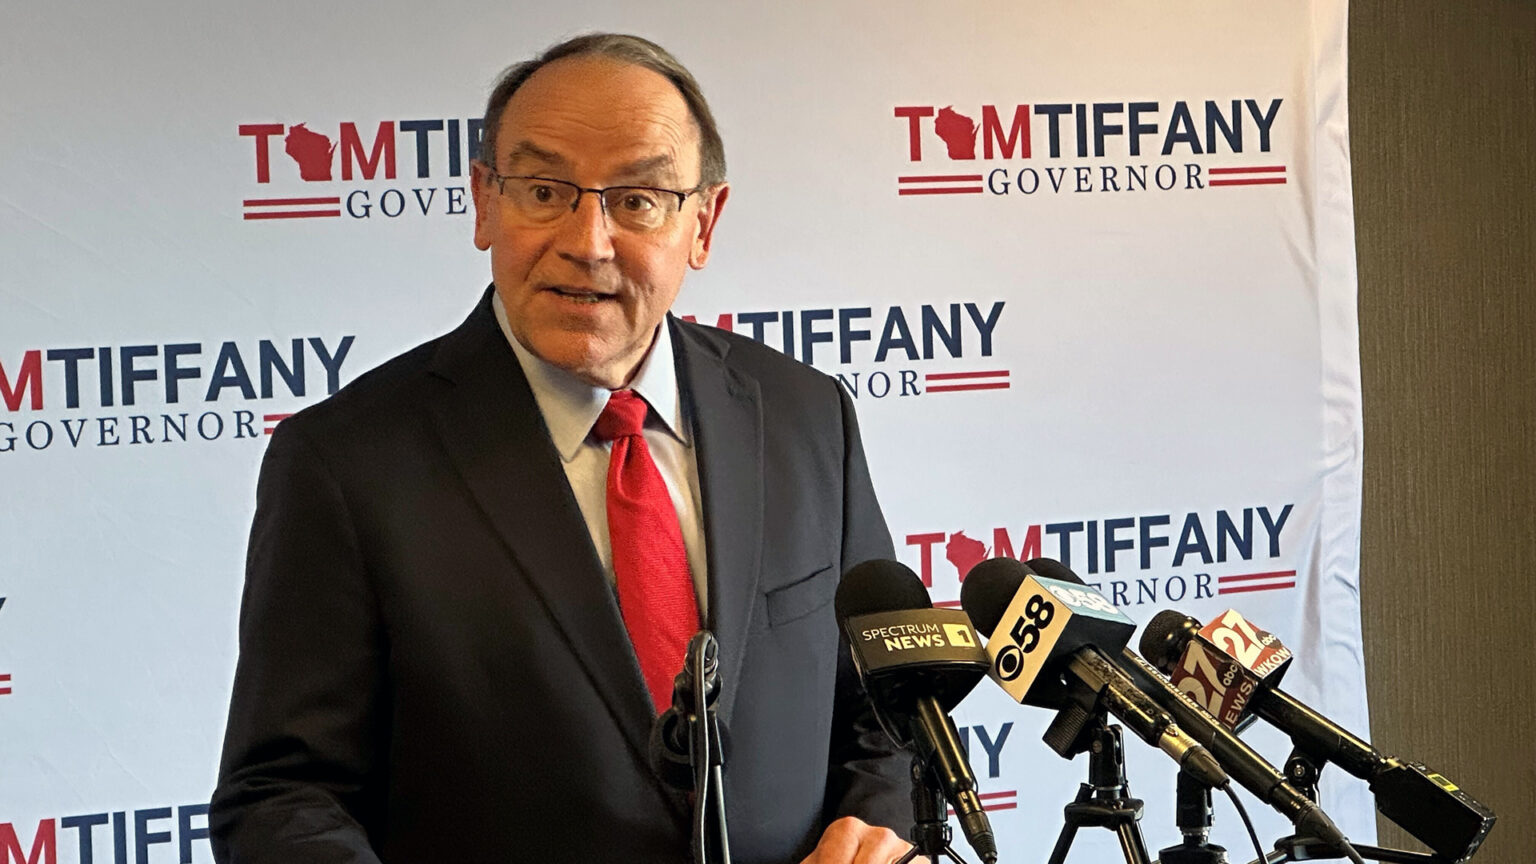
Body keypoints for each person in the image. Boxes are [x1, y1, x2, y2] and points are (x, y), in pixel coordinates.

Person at [210, 33, 917, 864]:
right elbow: (285, 797)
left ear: (704, 222)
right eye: (544, 191)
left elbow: (889, 702)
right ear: (483, 200)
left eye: (639, 199)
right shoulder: (344, 462)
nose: (588, 241)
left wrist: (873, 828)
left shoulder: (805, 415)